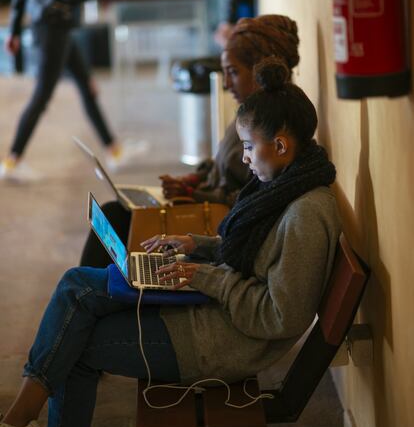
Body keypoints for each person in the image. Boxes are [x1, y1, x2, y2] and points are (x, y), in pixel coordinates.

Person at [0, 57, 341, 427]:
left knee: (76, 320)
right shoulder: (288, 186)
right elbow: (253, 254)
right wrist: (194, 246)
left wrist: (199, 275)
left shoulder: (307, 213)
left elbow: (279, 316)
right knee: (77, 295)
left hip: (220, 342)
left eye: (249, 147)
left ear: (282, 145)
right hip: (212, 318)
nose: (247, 159)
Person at [79, 13, 300, 268]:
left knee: (114, 220)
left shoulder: (269, 129)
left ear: (259, 69)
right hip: (204, 205)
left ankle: (98, 293)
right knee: (114, 214)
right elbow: (219, 162)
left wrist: (193, 194)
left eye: (233, 73)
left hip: (216, 226)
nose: (226, 84)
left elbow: (248, 200)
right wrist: (193, 179)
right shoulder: (249, 112)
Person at [0, 0, 146, 182]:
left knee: (86, 86)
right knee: (42, 95)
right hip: (52, 30)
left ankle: (113, 150)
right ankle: (12, 162)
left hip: (58, 29)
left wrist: (14, 30)